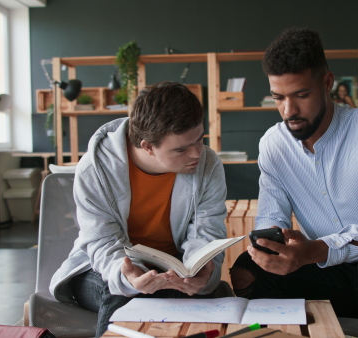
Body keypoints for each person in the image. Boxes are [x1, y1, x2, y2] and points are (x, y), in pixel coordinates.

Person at [230, 28, 358, 338]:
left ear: (327, 83)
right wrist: (274, 248)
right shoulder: (273, 145)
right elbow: (271, 219)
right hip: (333, 274)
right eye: (279, 98)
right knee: (247, 270)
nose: (289, 111)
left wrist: (316, 250)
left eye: (301, 95)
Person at [50, 81, 228, 337]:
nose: (197, 154)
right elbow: (102, 242)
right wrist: (128, 279)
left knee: (197, 293)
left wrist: (200, 272)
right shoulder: (94, 169)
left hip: (172, 269)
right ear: (147, 146)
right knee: (125, 294)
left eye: (200, 140)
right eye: (181, 149)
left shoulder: (208, 164)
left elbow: (207, 232)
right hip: (103, 268)